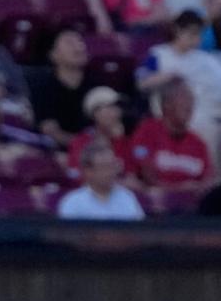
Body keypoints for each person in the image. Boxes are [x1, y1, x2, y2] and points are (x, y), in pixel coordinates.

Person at [137, 10, 221, 166]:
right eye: (192, 34)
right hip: (170, 114)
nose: (196, 39)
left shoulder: (207, 60)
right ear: (178, 30)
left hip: (208, 115)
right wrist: (167, 77)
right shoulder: (159, 54)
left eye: (199, 35)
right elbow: (142, 83)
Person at [130, 77, 215, 190]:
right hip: (155, 203)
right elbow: (147, 175)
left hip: (191, 204)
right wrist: (178, 190)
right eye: (184, 98)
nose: (189, 104)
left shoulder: (198, 143)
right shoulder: (147, 131)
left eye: (191, 99)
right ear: (166, 104)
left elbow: (209, 179)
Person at [31, 28, 94, 151]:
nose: (79, 47)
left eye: (80, 41)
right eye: (70, 42)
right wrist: (84, 146)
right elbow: (50, 132)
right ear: (53, 54)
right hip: (55, 152)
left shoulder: (96, 85)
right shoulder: (43, 87)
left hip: (94, 152)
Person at [58, 136, 145, 220]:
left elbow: (139, 232)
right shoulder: (73, 203)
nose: (110, 172)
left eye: (112, 166)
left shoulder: (127, 198)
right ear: (88, 171)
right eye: (104, 167)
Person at [68, 86, 131, 178]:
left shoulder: (123, 140)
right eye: (109, 108)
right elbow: (76, 176)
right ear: (95, 113)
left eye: (116, 108)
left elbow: (131, 174)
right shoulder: (81, 142)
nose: (115, 113)